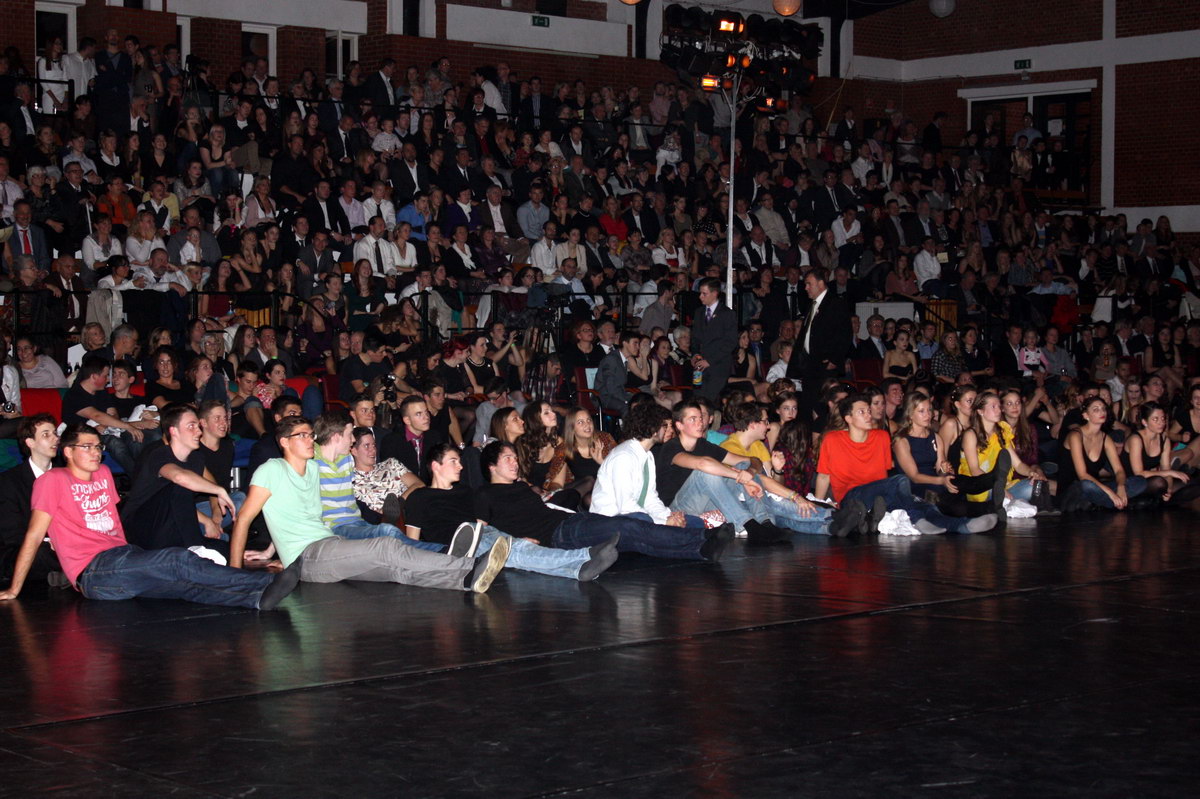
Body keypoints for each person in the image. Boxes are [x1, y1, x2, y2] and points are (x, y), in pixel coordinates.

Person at [0, 424, 300, 610]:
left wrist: (132, 551)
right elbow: (34, 536)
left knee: (184, 584)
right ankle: (265, 583)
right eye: (87, 447)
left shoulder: (103, 474)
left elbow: (114, 522)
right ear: (67, 452)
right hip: (93, 572)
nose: (96, 453)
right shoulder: (52, 481)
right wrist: (14, 588)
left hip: (121, 558)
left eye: (98, 447)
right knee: (177, 559)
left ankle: (256, 599)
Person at [230, 416, 510, 592]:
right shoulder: (272, 469)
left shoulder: (313, 470)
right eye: (301, 435)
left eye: (310, 434)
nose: (309, 439)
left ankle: (465, 581)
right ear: (284, 442)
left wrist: (273, 550)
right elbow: (244, 518)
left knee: (395, 569)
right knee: (386, 545)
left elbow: (291, 515)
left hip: (328, 543)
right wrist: (233, 574)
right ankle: (467, 565)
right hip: (309, 555)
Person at [478, 434, 734, 561]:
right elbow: (479, 533)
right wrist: (514, 543)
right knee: (626, 527)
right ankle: (702, 537)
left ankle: (699, 549)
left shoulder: (522, 488)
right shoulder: (485, 494)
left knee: (631, 533)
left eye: (515, 457)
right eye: (507, 458)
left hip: (570, 521)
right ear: (491, 466)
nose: (514, 462)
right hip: (557, 536)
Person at [406, 443, 618, 581]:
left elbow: (486, 523)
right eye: (454, 461)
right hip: (456, 543)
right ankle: (584, 556)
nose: (460, 466)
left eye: (460, 462)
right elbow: (412, 543)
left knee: (518, 552)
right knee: (515, 553)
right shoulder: (419, 497)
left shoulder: (467, 492)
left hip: (479, 533)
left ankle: (577, 570)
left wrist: (514, 538)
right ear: (435, 466)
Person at [813, 394, 999, 535]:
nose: (869, 415)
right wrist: (819, 509)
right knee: (901, 480)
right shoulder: (832, 440)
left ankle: (962, 526)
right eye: (862, 412)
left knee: (923, 505)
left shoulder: (881, 436)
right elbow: (823, 476)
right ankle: (917, 519)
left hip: (879, 497)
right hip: (852, 498)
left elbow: (882, 473)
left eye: (869, 411)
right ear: (848, 418)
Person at [654, 400, 830, 540]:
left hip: (707, 503)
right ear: (679, 425)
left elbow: (752, 461)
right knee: (706, 473)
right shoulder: (670, 447)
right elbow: (702, 464)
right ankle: (748, 525)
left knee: (744, 468)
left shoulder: (704, 445)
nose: (700, 423)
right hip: (678, 509)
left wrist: (749, 472)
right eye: (693, 419)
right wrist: (741, 477)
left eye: (701, 418)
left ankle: (767, 522)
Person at [312, 410, 442, 551]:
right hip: (337, 527)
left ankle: (444, 549)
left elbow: (419, 484)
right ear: (337, 437)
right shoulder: (312, 464)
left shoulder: (346, 459)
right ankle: (441, 551)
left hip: (359, 521)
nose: (353, 440)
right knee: (387, 531)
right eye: (350, 435)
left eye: (374, 445)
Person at [119, 403, 237, 556]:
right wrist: (219, 492)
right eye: (191, 426)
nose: (198, 431)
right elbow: (179, 477)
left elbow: (209, 483)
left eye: (198, 426)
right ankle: (194, 547)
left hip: (173, 528)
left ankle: (196, 546)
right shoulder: (158, 454)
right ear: (173, 431)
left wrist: (215, 512)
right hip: (141, 527)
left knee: (225, 550)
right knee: (180, 486)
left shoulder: (196, 458)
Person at [0, 414, 64, 584]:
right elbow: (13, 534)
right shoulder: (9, 481)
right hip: (26, 548)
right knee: (39, 553)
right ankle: (75, 573)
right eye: (46, 434)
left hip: (62, 544)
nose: (55, 439)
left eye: (55, 433)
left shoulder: (65, 475)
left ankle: (66, 574)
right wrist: (49, 541)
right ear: (30, 442)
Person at [1056, 396, 1147, 512]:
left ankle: (1104, 503)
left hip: (1096, 489)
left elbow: (1119, 470)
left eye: (1103, 409)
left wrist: (1121, 487)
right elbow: (1082, 475)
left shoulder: (1106, 439)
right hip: (1073, 491)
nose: (1102, 412)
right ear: (1086, 415)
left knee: (1140, 481)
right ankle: (1113, 502)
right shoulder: (1075, 436)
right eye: (1096, 409)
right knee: (1086, 485)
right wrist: (1110, 493)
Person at [788, 268, 852, 424]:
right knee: (809, 404)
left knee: (823, 407)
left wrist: (834, 359)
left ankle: (824, 435)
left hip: (824, 365)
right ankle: (810, 434)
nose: (806, 288)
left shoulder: (835, 303)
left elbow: (845, 334)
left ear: (821, 283)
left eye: (809, 284)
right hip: (810, 364)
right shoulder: (812, 305)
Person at [690, 277, 737, 400]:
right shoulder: (699, 312)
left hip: (718, 367)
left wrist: (710, 360)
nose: (700, 296)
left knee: (711, 400)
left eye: (704, 293)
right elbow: (695, 338)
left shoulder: (727, 314)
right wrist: (695, 353)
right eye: (700, 293)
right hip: (700, 367)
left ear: (715, 293)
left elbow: (731, 342)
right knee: (698, 399)